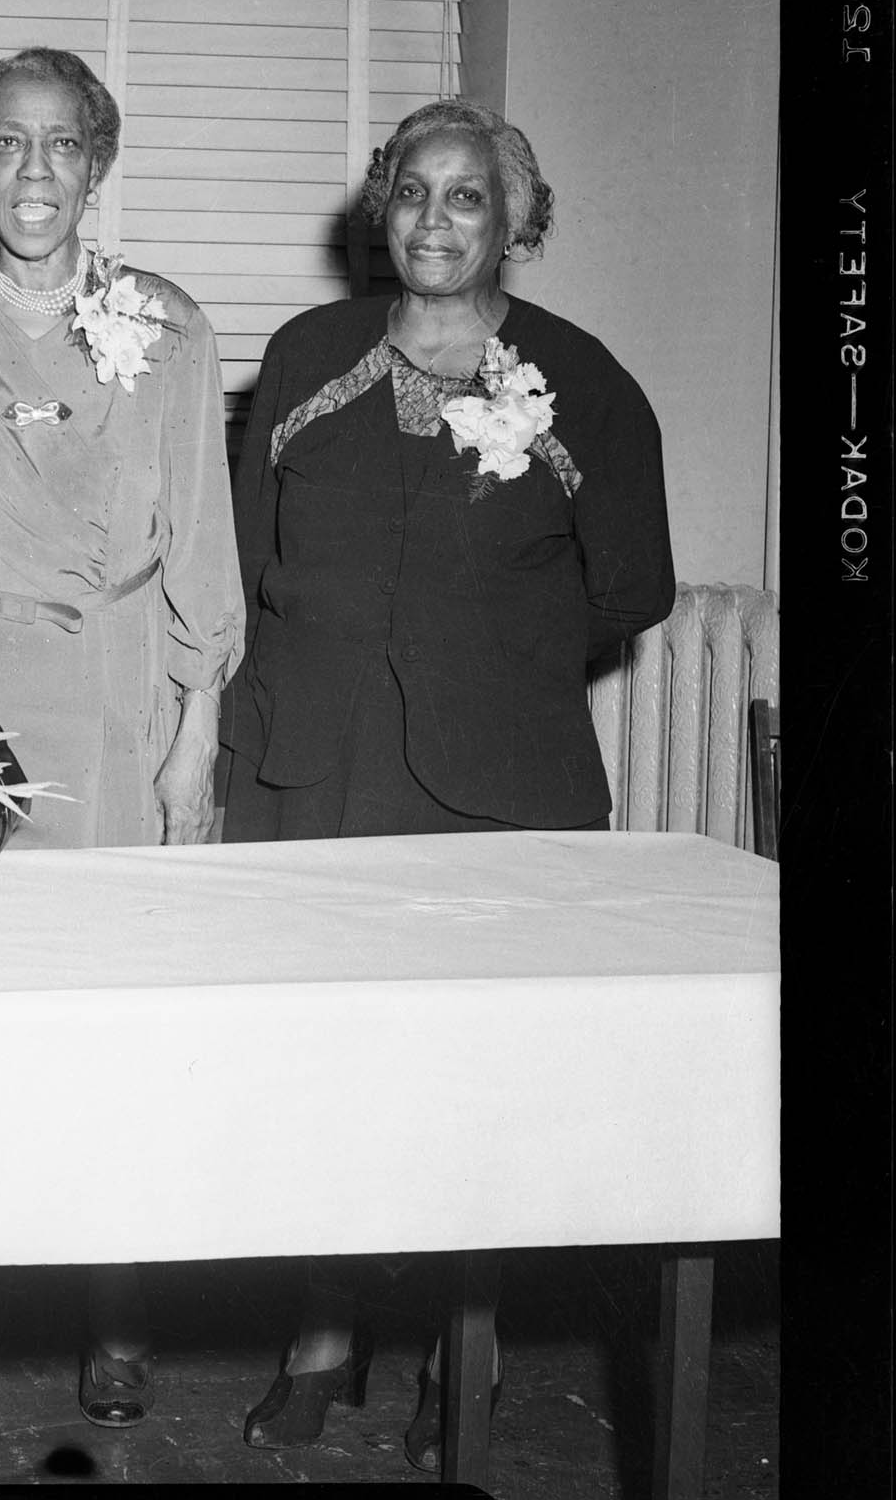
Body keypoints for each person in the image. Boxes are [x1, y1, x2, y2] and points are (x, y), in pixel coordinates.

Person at [222, 99, 674, 1466]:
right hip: (324, 775)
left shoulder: (581, 380)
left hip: (503, 786)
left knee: (474, 1084)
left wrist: (493, 663)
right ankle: (322, 1333)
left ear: (517, 220)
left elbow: (631, 587)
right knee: (328, 1075)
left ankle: (451, 1358)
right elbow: (247, 561)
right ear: (381, 208)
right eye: (412, 191)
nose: (433, 218)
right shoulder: (307, 356)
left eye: (468, 196)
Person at [0, 46, 243, 1434]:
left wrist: (196, 726)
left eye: (63, 144)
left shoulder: (169, 321)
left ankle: (115, 1307)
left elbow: (199, 527)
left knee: (117, 1014)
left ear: (98, 163)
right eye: (7, 145)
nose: (35, 171)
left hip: (121, 684)